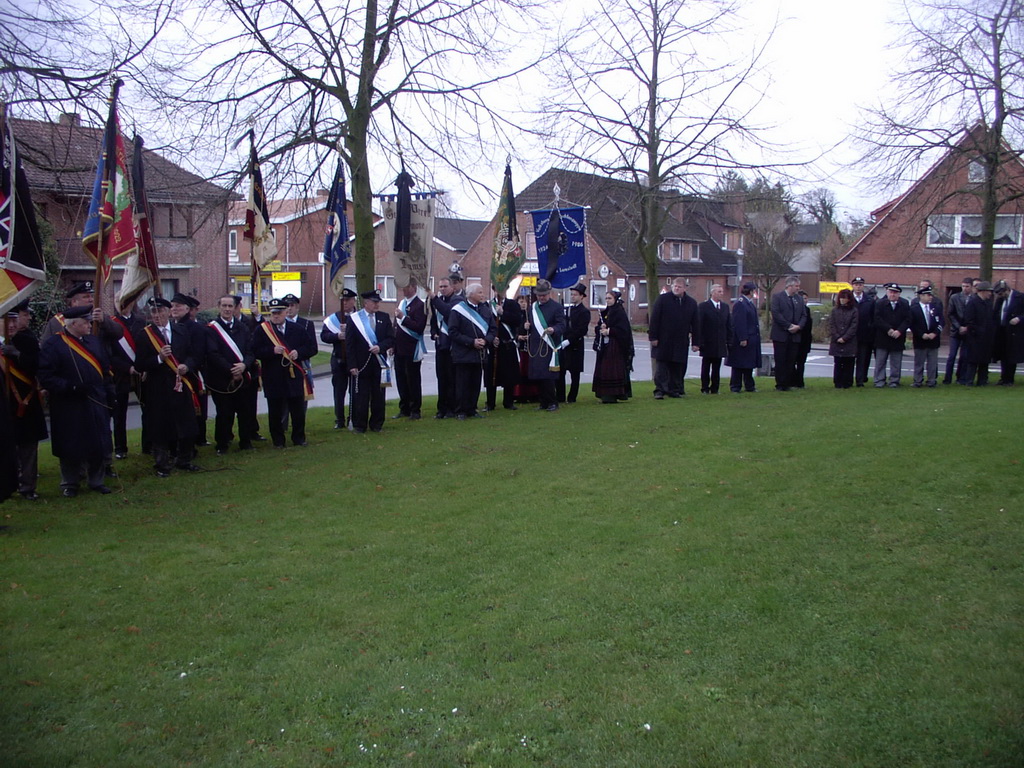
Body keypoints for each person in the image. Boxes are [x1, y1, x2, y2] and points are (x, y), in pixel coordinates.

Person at [37, 305, 115, 496]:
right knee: (70, 444)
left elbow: (105, 369)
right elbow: (46, 376)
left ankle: (96, 480)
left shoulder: (93, 341)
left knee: (97, 442)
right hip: (68, 404)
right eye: (85, 322)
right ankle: (70, 483)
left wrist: (109, 393)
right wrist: (70, 386)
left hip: (95, 400)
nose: (89, 325)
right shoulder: (54, 344)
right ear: (72, 324)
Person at [134, 297, 203, 477]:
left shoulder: (181, 330)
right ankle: (162, 464)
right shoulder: (145, 335)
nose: (156, 315)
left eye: (160, 311)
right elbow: (140, 364)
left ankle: (184, 460)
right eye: (153, 312)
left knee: (187, 423)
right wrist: (159, 358)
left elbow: (193, 355)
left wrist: (187, 366)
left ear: (168, 312)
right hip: (158, 387)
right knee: (160, 427)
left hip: (180, 384)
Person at [254, 297, 318, 445]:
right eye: (273, 313)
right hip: (273, 376)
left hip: (293, 375)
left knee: (297, 410)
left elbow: (311, 348)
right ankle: (278, 441)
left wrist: (299, 353)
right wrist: (271, 350)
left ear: (286, 312)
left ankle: (299, 438)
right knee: (275, 411)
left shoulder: (297, 329)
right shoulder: (263, 330)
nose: (276, 316)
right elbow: (255, 350)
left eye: (279, 313)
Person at [3, 305, 47, 499]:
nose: (11, 325)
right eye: (7, 321)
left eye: (14, 320)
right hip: (5, 405)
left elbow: (39, 365)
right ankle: (7, 485)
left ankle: (28, 486)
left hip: (25, 403)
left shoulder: (26, 341)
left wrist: (18, 355)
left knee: (28, 446)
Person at [205, 295, 257, 454]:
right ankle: (222, 444)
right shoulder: (211, 329)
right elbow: (212, 354)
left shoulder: (243, 327)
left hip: (243, 377)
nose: (227, 309)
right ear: (219, 307)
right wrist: (231, 370)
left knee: (245, 411)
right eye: (224, 306)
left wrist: (244, 365)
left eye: (230, 306)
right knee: (224, 413)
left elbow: (250, 351)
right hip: (222, 379)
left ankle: (246, 442)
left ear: (235, 308)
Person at [346, 290, 394, 433]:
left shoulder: (384, 317)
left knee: (378, 395)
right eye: (374, 302)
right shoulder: (355, 319)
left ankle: (377, 424)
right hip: (361, 364)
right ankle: (360, 425)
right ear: (366, 303)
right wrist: (352, 365)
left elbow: (391, 338)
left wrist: (380, 347)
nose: (377, 304)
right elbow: (350, 344)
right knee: (361, 396)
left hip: (379, 363)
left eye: (378, 302)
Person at [448, 283, 496, 419]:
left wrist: (486, 340)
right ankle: (460, 411)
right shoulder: (458, 310)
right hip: (463, 353)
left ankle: (472, 409)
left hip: (479, 353)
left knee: (475, 382)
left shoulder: (485, 309)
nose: (483, 295)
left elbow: (493, 329)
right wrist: (471, 342)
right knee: (462, 383)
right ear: (471, 294)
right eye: (480, 292)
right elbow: (453, 332)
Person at [648, 276, 700, 398]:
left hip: (680, 340)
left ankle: (675, 389)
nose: (676, 288)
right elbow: (654, 319)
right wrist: (653, 337)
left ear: (685, 288)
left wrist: (696, 342)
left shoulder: (691, 303)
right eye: (675, 286)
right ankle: (660, 390)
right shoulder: (662, 299)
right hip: (663, 339)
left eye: (679, 287)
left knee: (678, 366)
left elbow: (696, 324)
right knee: (661, 366)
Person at [108, 300, 145, 460]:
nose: (124, 305)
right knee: (119, 414)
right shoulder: (111, 324)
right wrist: (127, 368)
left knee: (147, 410)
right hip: (121, 375)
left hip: (141, 373)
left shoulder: (141, 321)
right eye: (121, 302)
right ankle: (120, 448)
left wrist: (142, 366)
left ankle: (148, 445)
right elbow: (110, 353)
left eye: (127, 302)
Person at [523, 278, 566, 411]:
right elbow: (528, 325)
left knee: (548, 376)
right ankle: (543, 402)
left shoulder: (557, 307)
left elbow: (562, 325)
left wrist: (553, 329)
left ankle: (553, 402)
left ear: (549, 293)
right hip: (536, 345)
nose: (541, 297)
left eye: (544, 295)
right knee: (538, 375)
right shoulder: (532, 308)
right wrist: (526, 326)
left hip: (549, 345)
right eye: (539, 295)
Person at [321, 288, 358, 428]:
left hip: (354, 360)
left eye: (348, 300)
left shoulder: (359, 317)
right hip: (339, 359)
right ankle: (339, 419)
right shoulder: (334, 319)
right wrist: (337, 336)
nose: (345, 303)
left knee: (355, 391)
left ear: (353, 301)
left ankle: (353, 417)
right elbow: (324, 336)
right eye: (343, 301)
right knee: (339, 391)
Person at [392, 281, 427, 420]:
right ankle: (404, 407)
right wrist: (392, 344)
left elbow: (419, 327)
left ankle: (415, 409)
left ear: (414, 287)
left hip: (411, 348)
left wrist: (403, 318)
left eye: (406, 287)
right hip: (399, 348)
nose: (404, 290)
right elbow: (395, 326)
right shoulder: (402, 303)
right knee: (401, 379)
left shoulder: (420, 305)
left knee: (412, 380)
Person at [484, 287, 523, 411]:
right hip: (494, 345)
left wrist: (503, 313)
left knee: (509, 376)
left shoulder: (512, 304)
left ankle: (508, 402)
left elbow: (518, 321)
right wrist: (490, 338)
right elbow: (484, 323)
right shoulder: (487, 305)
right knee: (491, 375)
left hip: (508, 344)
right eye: (497, 289)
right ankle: (490, 403)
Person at [592, 290, 633, 403]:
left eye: (610, 298)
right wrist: (601, 328)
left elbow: (624, 331)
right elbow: (598, 327)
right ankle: (604, 394)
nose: (607, 300)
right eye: (606, 298)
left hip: (615, 347)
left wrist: (609, 331)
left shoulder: (619, 313)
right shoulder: (606, 312)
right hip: (605, 347)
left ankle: (613, 394)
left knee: (612, 370)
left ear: (615, 299)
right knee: (603, 369)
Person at [769, 276, 807, 391]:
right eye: (796, 286)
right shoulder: (777, 297)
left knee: (791, 360)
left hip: (795, 335)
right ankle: (780, 384)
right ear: (789, 286)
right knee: (780, 360)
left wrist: (798, 326)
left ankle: (788, 382)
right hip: (781, 335)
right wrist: (789, 326)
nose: (798, 288)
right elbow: (776, 314)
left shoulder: (799, 299)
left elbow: (804, 315)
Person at [429, 275, 459, 419]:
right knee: (441, 378)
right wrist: (433, 332)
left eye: (445, 286)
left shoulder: (457, 300)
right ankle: (441, 408)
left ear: (452, 287)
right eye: (440, 287)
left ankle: (451, 408)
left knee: (451, 378)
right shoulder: (438, 301)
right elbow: (434, 320)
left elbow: (447, 312)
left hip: (452, 346)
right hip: (440, 344)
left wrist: (434, 299)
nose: (442, 289)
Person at [873, 283, 911, 387]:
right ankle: (879, 380)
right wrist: (888, 329)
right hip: (882, 337)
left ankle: (894, 381)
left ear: (899, 294)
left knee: (896, 362)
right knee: (880, 361)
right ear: (887, 292)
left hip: (898, 337)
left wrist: (899, 331)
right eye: (891, 292)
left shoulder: (904, 304)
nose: (892, 295)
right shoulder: (880, 303)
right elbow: (877, 318)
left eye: (895, 293)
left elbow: (908, 319)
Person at [959, 281, 996, 386]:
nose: (990, 293)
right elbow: (968, 320)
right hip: (975, 337)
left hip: (987, 337)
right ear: (982, 291)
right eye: (988, 291)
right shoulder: (973, 303)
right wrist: (977, 330)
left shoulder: (988, 303)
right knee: (973, 360)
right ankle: (969, 380)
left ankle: (982, 380)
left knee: (985, 360)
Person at [558, 283, 590, 403]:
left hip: (576, 345)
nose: (573, 297)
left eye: (575, 295)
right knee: (561, 371)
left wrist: (569, 340)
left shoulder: (584, 312)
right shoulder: (568, 309)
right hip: (564, 345)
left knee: (574, 373)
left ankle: (572, 397)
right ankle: (560, 396)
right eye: (572, 294)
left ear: (581, 296)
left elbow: (582, 330)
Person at [727, 281, 761, 393]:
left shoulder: (749, 303)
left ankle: (749, 385)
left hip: (751, 338)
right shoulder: (740, 304)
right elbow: (739, 322)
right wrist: (743, 338)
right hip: (744, 339)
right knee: (739, 364)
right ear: (750, 291)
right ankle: (735, 386)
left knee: (748, 363)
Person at [697, 283, 731, 394]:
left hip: (720, 342)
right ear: (712, 293)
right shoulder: (703, 306)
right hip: (707, 342)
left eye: (722, 292)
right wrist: (699, 342)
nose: (721, 294)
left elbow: (728, 325)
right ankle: (705, 387)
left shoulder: (725, 307)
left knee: (717, 367)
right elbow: (700, 325)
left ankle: (715, 388)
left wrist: (729, 340)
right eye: (719, 292)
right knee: (706, 366)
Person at [908, 285, 943, 387]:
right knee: (919, 362)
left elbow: (941, 322)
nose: (930, 297)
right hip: (920, 340)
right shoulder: (914, 309)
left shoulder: (935, 308)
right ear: (921, 296)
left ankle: (931, 380)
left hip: (933, 340)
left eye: (930, 295)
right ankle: (917, 381)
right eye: (928, 295)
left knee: (932, 362)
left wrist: (935, 333)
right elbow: (912, 324)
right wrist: (921, 334)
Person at [992, 280, 1024, 385]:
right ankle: (1003, 378)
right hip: (1002, 330)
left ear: (1007, 290)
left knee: (1012, 356)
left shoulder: (1020, 297)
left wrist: (1019, 319)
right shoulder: (1000, 300)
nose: (1000, 296)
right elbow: (995, 313)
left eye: (1001, 293)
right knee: (1003, 355)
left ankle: (1009, 379)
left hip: (1014, 331)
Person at [943, 277, 974, 384]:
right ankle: (947, 378)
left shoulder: (974, 298)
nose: (965, 288)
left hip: (968, 331)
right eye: (963, 286)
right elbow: (950, 314)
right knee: (952, 356)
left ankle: (961, 378)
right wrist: (958, 326)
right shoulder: (955, 297)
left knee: (964, 356)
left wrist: (967, 327)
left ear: (971, 287)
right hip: (955, 331)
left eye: (967, 286)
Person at [828, 288, 859, 389]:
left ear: (849, 299)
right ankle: (837, 382)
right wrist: (837, 336)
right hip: (836, 341)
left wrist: (845, 337)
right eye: (841, 298)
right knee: (838, 362)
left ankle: (847, 382)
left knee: (848, 363)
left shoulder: (854, 311)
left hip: (849, 342)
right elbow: (832, 325)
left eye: (844, 298)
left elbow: (854, 326)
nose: (842, 300)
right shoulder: (835, 310)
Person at [850, 277, 875, 386]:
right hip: (851, 335)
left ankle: (860, 380)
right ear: (852, 286)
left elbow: (873, 317)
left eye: (860, 285)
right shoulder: (848, 298)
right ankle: (848, 380)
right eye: (856, 285)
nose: (858, 287)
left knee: (863, 359)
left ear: (863, 286)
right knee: (850, 359)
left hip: (865, 335)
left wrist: (870, 328)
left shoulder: (869, 300)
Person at [793, 290, 814, 388]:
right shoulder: (795, 310)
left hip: (805, 341)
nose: (805, 300)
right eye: (803, 299)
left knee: (801, 363)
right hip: (796, 340)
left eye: (806, 298)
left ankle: (800, 382)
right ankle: (793, 381)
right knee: (793, 362)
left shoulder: (807, 310)